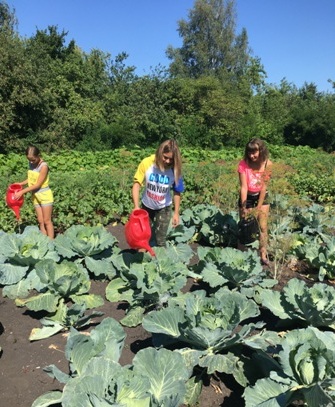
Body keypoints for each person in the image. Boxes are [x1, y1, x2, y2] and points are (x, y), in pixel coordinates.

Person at [132, 139, 184, 247]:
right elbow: (136, 184)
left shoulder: (175, 169)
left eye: (171, 159)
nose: (168, 161)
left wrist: (176, 213)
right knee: (143, 236)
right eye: (165, 157)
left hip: (164, 207)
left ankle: (160, 262)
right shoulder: (147, 163)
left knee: (160, 239)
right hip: (147, 206)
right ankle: (141, 260)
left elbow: (177, 192)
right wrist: (136, 207)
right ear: (160, 153)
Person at [237, 138, 272, 265]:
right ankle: (240, 254)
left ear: (261, 151)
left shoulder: (267, 164)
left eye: (255, 152)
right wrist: (244, 205)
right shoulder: (243, 164)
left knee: (262, 226)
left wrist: (258, 207)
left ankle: (263, 255)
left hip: (262, 196)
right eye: (249, 152)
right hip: (248, 196)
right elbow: (244, 187)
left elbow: (264, 187)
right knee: (245, 225)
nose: (252, 156)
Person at [14, 145, 54, 239]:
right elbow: (31, 179)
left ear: (38, 155)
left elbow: (37, 184)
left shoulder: (44, 166)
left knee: (47, 220)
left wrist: (22, 192)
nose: (31, 162)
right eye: (29, 159)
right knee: (40, 221)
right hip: (35, 195)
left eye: (33, 159)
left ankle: (51, 242)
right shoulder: (31, 163)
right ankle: (44, 241)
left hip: (45, 195)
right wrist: (20, 184)